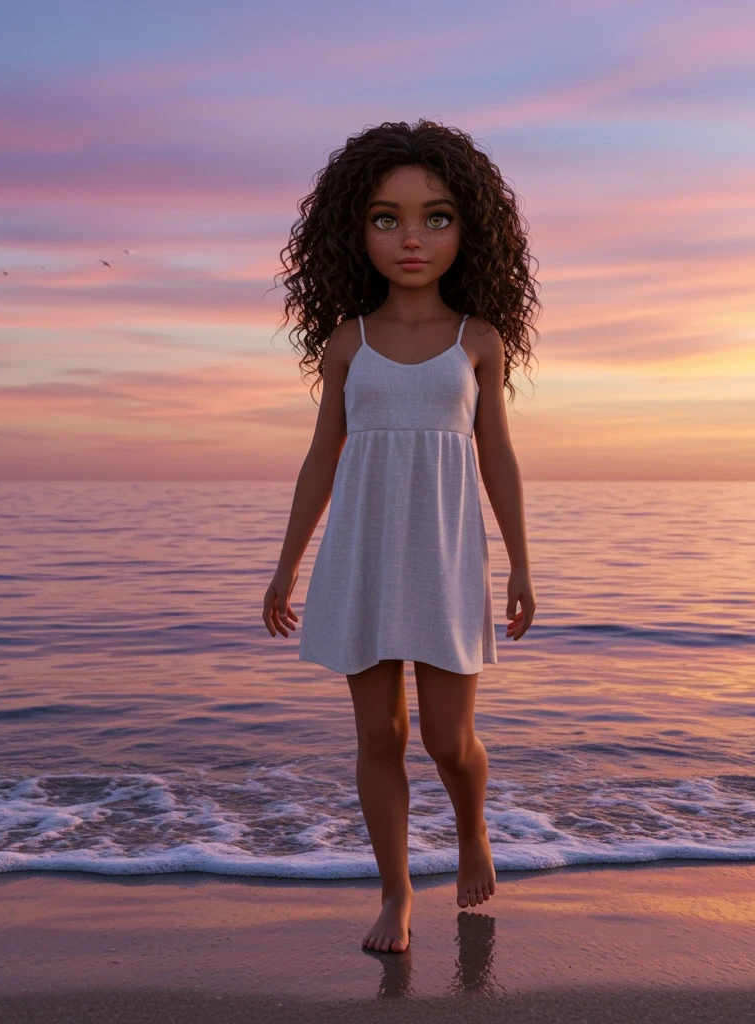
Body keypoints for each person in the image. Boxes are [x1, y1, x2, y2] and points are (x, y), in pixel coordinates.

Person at [263, 119, 539, 955]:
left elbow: (497, 456)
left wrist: (522, 564)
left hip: (446, 557)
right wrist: (286, 568)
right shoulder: (348, 341)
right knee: (379, 737)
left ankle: (472, 831)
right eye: (387, 219)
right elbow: (322, 458)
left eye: (436, 218)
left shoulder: (477, 341)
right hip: (362, 554)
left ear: (469, 230)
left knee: (448, 741)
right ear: (355, 231)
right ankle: (396, 892)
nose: (411, 239)